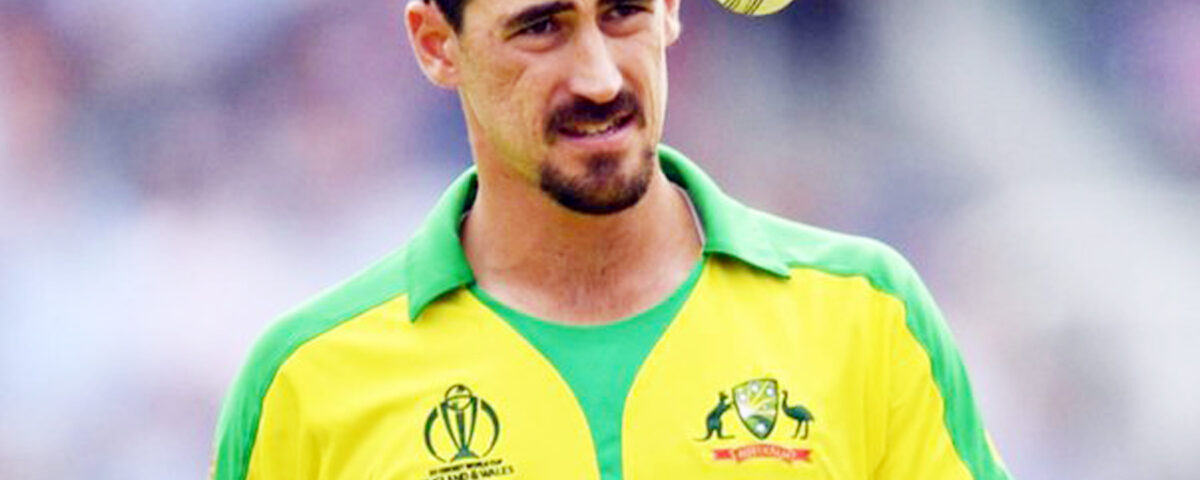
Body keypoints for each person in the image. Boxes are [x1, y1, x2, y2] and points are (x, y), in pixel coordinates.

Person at [210, 0, 1012, 477]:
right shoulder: (306, 378)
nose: (598, 77)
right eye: (540, 27)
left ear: (671, 11)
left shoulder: (868, 313)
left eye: (623, 11)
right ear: (434, 44)